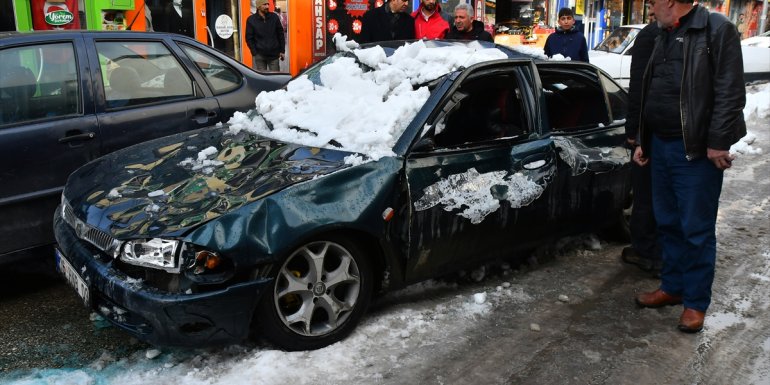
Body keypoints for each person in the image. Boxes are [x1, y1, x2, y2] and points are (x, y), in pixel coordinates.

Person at [633, 0, 746, 333]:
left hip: (695, 151)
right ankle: (672, 286)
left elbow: (730, 90)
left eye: (652, 3)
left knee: (695, 230)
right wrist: (643, 138)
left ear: (670, 2)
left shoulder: (716, 29)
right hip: (661, 145)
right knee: (667, 222)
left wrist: (717, 142)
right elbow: (649, 88)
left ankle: (695, 303)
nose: (650, 10)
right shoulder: (662, 33)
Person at [622, 14, 662, 276]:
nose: (650, 12)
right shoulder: (683, 35)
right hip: (670, 130)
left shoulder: (649, 36)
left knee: (645, 194)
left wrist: (633, 131)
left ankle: (646, 251)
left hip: (650, 131)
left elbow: (639, 87)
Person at [245, 0, 285, 72]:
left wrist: (282, 50)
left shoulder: (274, 17)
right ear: (258, 6)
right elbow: (249, 38)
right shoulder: (251, 20)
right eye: (264, 4)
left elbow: (280, 34)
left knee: (275, 78)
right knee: (262, 78)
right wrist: (254, 52)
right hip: (259, 55)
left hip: (274, 55)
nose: (267, 6)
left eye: (268, 4)